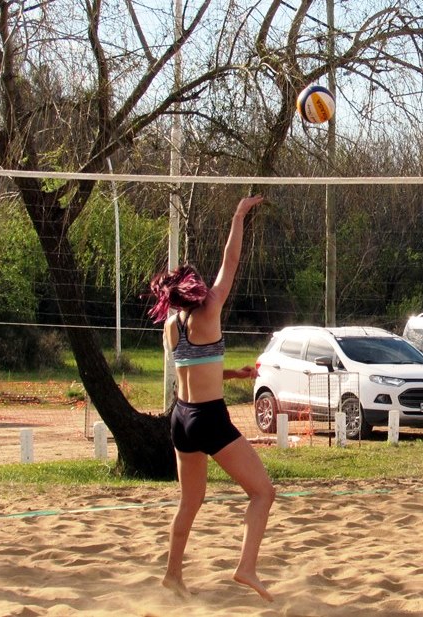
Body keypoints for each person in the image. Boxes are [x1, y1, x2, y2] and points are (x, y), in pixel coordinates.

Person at [148, 194, 276, 602]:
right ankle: (247, 567)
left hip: (181, 418)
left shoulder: (171, 326)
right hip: (208, 418)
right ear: (195, 289)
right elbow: (231, 261)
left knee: (190, 502)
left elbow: (194, 368)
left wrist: (231, 373)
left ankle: (172, 575)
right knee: (262, 493)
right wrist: (238, 215)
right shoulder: (211, 308)